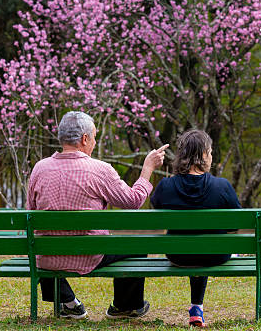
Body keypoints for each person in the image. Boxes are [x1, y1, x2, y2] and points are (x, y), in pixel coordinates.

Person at [27, 111, 167, 319]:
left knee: (47, 244)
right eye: (94, 137)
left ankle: (68, 302)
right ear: (84, 139)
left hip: (47, 256)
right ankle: (125, 306)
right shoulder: (99, 170)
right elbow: (133, 201)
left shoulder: (40, 169)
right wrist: (147, 169)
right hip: (88, 254)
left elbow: (31, 213)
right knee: (138, 246)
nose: (94, 141)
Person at [150, 129, 241, 328]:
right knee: (207, 243)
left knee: (194, 241)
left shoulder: (166, 186)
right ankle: (196, 306)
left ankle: (196, 307)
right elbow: (236, 225)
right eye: (209, 152)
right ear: (201, 156)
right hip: (216, 255)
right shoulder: (222, 186)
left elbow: (155, 208)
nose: (211, 156)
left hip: (178, 255)